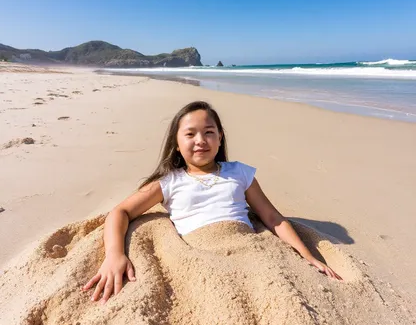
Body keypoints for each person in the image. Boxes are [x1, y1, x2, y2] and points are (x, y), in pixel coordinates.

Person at [82, 101, 341, 303]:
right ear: (177, 142)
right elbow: (121, 212)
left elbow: (273, 218)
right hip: (201, 254)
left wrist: (307, 255)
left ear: (219, 138)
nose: (200, 140)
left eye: (209, 132)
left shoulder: (240, 172)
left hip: (248, 250)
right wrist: (115, 255)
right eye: (190, 134)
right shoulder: (170, 181)